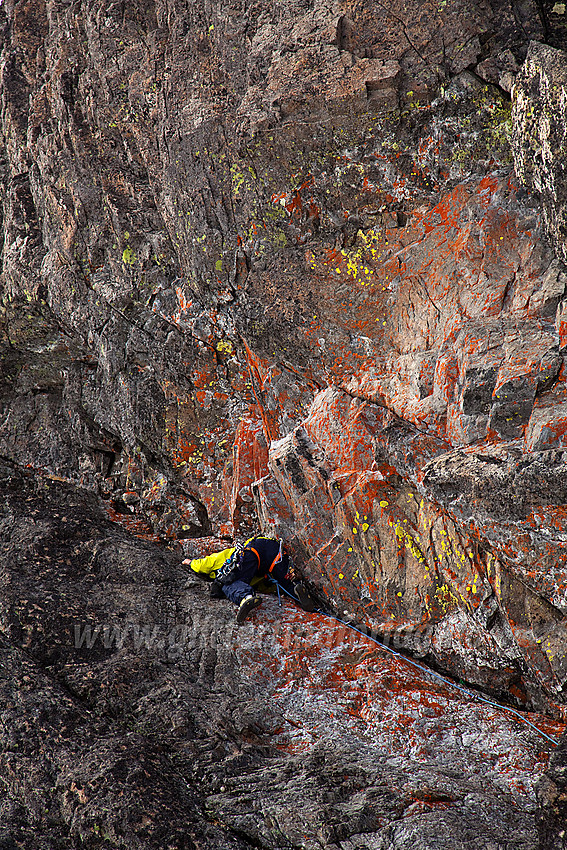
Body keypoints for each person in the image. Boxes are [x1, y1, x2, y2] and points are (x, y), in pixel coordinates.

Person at [187, 535, 318, 623]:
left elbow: (202, 565)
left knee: (227, 584)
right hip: (272, 548)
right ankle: (298, 592)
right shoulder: (243, 573)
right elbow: (262, 585)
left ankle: (246, 598)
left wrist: (189, 562)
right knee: (286, 582)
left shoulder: (222, 560)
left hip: (250, 552)